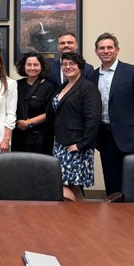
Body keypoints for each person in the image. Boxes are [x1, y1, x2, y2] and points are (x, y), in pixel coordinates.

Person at [88, 32, 134, 196]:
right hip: (105, 137)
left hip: (132, 137)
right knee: (112, 184)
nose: (106, 51)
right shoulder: (92, 76)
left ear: (117, 50)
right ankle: (115, 218)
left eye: (109, 47)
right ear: (96, 52)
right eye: (102, 48)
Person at [46, 52, 101, 201]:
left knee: (62, 183)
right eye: (64, 64)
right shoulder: (63, 86)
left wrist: (82, 144)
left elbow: (93, 119)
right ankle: (80, 219)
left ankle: (69, 219)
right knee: (72, 185)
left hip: (76, 145)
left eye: (72, 64)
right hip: (60, 144)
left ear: (80, 66)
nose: (67, 67)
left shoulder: (88, 87)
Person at [12, 52, 55, 153]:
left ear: (41, 67)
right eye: (29, 64)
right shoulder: (16, 85)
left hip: (38, 138)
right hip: (18, 137)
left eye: (36, 65)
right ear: (24, 66)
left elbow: (49, 113)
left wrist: (28, 123)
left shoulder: (48, 87)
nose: (32, 68)